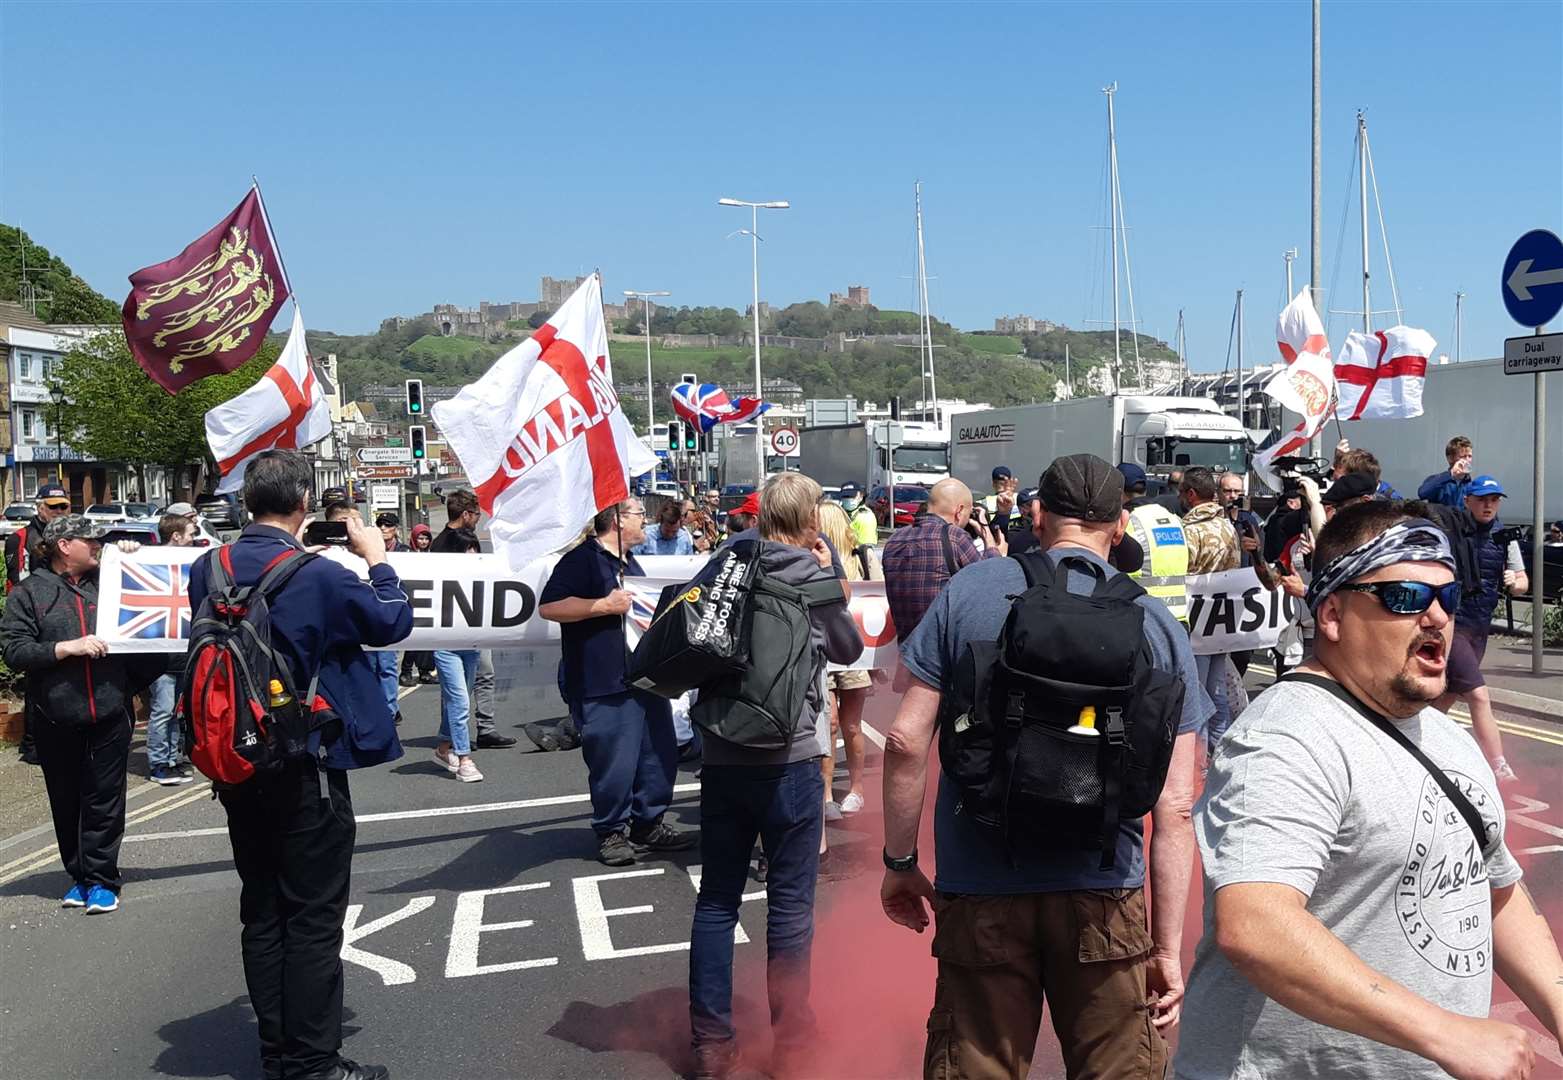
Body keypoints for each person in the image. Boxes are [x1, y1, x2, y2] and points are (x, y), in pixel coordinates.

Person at [1175, 500, 1562, 1080]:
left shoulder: (1444, 736)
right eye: (1406, 596)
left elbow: (1494, 892)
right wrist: (1446, 1034)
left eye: (1447, 597)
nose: (1436, 616)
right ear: (1332, 613)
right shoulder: (1287, 736)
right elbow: (1254, 924)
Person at [880, 455, 1211, 1080]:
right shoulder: (1158, 624)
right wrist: (1166, 948)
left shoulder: (970, 592)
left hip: (981, 884)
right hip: (1103, 890)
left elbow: (903, 740)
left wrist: (901, 864)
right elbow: (1174, 806)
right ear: (1118, 528)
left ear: (1036, 516)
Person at [187, 450, 409, 1080]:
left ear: (249, 501)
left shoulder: (212, 565)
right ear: (305, 505)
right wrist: (376, 558)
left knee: (262, 910)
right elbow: (391, 622)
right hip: (303, 761)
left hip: (235, 759)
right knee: (312, 918)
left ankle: (277, 1053)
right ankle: (313, 1065)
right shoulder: (317, 573)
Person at [688, 473, 863, 1080]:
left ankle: (712, 1045)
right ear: (811, 518)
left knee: (716, 901)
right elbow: (847, 650)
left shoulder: (726, 563)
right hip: (790, 758)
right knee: (789, 907)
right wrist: (831, 569)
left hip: (723, 755)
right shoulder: (810, 577)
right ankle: (790, 1045)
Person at [0, 516, 165, 914]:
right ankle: (78, 875)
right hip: (55, 716)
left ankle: (103, 879)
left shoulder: (110, 582)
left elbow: (157, 595)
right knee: (66, 800)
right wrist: (65, 648)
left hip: (109, 712)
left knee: (105, 800)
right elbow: (14, 650)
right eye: (89, 540)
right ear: (63, 546)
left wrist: (135, 557)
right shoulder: (31, 593)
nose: (97, 545)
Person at [539, 496, 695, 866]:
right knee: (614, 763)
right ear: (617, 520)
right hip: (603, 681)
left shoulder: (633, 562)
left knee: (659, 756)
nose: (647, 521)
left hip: (645, 678)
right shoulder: (582, 560)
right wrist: (602, 607)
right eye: (640, 514)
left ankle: (649, 823)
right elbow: (550, 606)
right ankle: (611, 831)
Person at [1423, 476, 1529, 784]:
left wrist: (1516, 583)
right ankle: (1499, 766)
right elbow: (1425, 495)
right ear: (1467, 501)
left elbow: (1523, 582)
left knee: (1448, 696)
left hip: (1479, 629)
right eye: (1482, 499)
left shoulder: (1505, 538)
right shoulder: (1453, 530)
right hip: (1453, 625)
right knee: (1478, 696)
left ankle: (1406, 741)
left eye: (1494, 500)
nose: (1489, 505)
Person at [880, 477, 1000, 645]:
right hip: (942, 655)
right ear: (959, 511)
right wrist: (989, 539)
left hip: (906, 651)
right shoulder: (954, 537)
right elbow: (992, 580)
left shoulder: (894, 540)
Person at [4, 482, 72, 767]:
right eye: (53, 507)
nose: (59, 511)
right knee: (36, 685)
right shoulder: (21, 537)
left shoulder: (72, 535)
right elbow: (18, 579)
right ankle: (33, 744)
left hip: (64, 616)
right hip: (34, 617)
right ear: (39, 507)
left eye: (63, 506)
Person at [816, 500, 876, 820]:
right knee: (830, 722)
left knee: (850, 724)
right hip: (826, 653)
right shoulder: (813, 559)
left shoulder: (861, 558)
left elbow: (881, 602)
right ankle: (826, 794)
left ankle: (857, 789)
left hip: (855, 654)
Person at [429, 490, 485, 781]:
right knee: (461, 701)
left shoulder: (439, 543)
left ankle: (443, 746)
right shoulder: (446, 546)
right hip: (448, 638)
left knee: (456, 698)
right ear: (465, 514)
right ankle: (464, 758)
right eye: (476, 514)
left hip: (470, 636)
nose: (478, 519)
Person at [144, 513, 201, 785]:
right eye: (190, 534)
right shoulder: (150, 561)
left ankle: (172, 758)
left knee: (176, 711)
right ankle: (158, 764)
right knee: (163, 710)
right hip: (160, 657)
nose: (194, 539)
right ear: (176, 536)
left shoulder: (191, 562)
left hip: (183, 655)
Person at [1119, 463, 1189, 622]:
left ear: (1119, 492)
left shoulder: (1125, 522)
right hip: (1179, 617)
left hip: (1142, 616)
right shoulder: (1173, 519)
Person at [398, 525, 437, 686]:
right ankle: (406, 671)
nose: (423, 541)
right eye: (420, 538)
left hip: (428, 598)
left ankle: (425, 671)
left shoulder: (433, 555)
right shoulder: (408, 554)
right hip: (412, 598)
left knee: (427, 639)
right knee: (413, 639)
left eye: (426, 538)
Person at [1418, 434, 1475, 507]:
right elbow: (1422, 493)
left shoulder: (1472, 485)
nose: (1467, 460)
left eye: (1469, 456)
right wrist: (1451, 475)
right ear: (1450, 458)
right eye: (1463, 456)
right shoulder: (1438, 481)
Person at [838, 482, 879, 547]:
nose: (848, 499)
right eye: (845, 496)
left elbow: (865, 548)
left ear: (861, 496)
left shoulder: (865, 517)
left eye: (852, 496)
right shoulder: (838, 513)